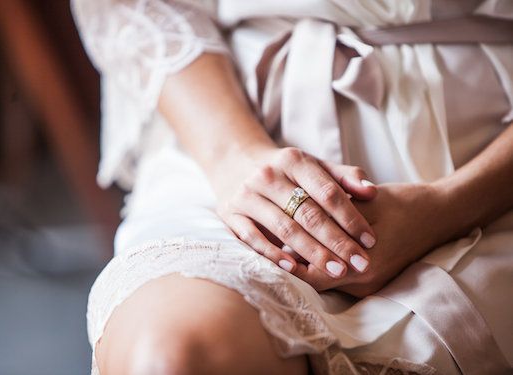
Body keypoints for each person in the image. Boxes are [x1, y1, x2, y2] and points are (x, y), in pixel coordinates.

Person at [72, 0, 513, 374]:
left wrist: (449, 206)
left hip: (489, 161)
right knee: (173, 355)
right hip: (233, 123)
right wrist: (237, 157)